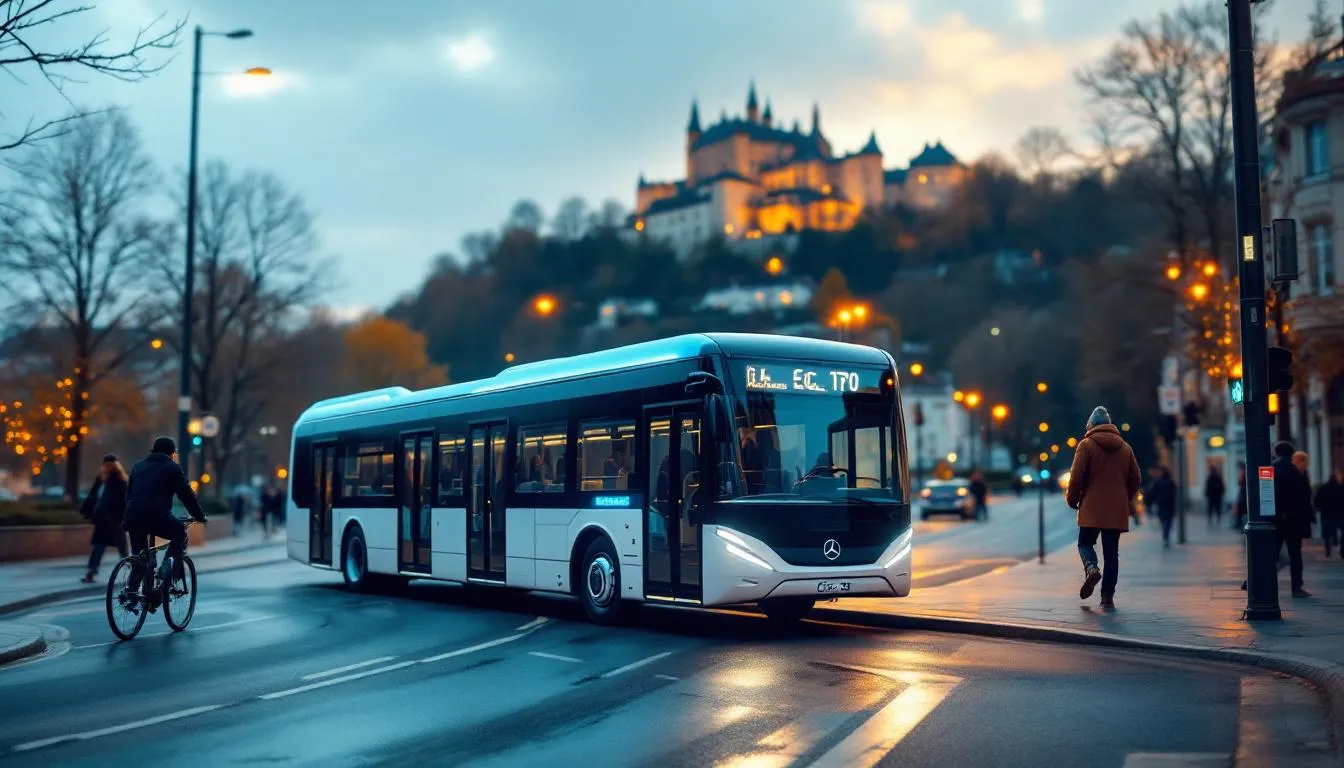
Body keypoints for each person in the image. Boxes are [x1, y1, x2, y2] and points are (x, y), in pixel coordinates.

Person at [1066, 406, 1142, 608]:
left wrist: (1072, 499)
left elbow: (1076, 476)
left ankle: (1091, 568)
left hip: (1092, 506)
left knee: (1085, 543)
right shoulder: (1125, 448)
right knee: (1111, 553)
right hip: (1116, 509)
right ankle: (1107, 596)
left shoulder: (1086, 445)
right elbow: (1136, 478)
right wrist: (1124, 498)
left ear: (1091, 425)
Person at [123, 437, 207, 593]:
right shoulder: (172, 468)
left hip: (132, 516)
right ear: (172, 453)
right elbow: (186, 495)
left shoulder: (138, 466)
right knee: (179, 533)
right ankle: (165, 568)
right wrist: (199, 516)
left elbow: (129, 494)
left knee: (140, 556)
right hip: (156, 516)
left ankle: (131, 593)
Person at [1271, 441, 1314, 597]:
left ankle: (1262, 582)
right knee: (1295, 554)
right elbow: (1305, 494)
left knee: (1273, 552)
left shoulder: (1272, 469)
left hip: (1277, 519)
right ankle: (1296, 587)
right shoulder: (1297, 470)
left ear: (1276, 453)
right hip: (1295, 519)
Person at [79, 454, 129, 583]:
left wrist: (118, 517)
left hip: (114, 520)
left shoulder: (120, 481)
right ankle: (91, 572)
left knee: (122, 548)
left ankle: (131, 571)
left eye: (110, 465)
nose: (108, 467)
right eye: (106, 465)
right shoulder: (100, 480)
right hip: (102, 520)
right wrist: (88, 512)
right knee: (99, 546)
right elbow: (93, 497)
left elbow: (123, 502)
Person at [1316, 466, 1344, 559]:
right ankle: (1342, 550)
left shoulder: (1324, 488)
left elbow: (1317, 501)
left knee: (1327, 534)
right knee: (1342, 531)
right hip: (1340, 513)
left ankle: (1328, 551)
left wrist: (1319, 508)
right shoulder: (1341, 488)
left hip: (1327, 513)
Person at [1145, 466, 1177, 547]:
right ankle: (1166, 536)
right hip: (1169, 505)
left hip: (1161, 504)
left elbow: (1150, 493)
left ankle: (1165, 535)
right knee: (1168, 521)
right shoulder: (1171, 482)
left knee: (1163, 521)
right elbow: (1175, 494)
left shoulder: (1157, 482)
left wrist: (1150, 502)